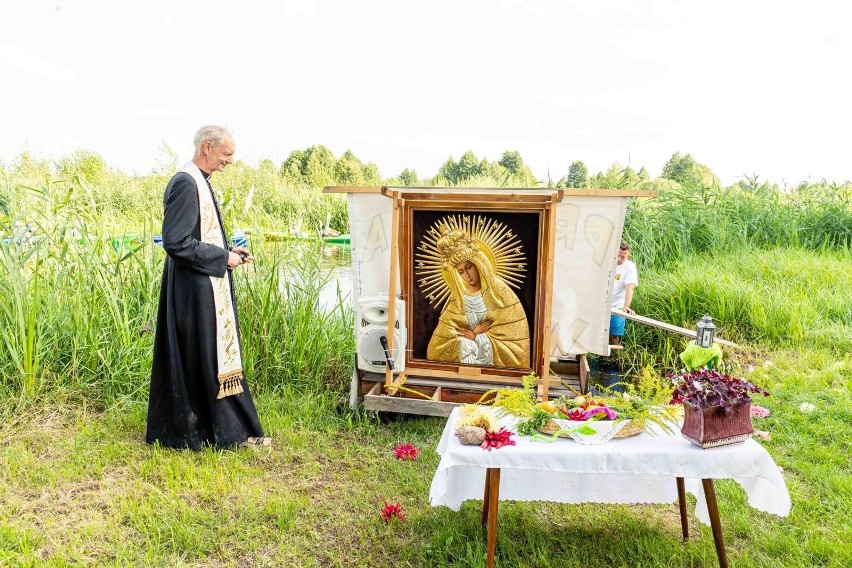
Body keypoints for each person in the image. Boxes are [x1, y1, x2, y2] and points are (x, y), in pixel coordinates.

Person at [146, 125, 269, 450]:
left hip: (200, 284)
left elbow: (198, 236)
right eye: (226, 153)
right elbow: (176, 242)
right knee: (207, 357)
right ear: (207, 147)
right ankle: (220, 432)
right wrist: (220, 257)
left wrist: (229, 251)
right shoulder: (187, 183)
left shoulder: (199, 182)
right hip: (193, 290)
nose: (230, 160)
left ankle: (213, 429)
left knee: (207, 357)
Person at [426, 227, 530, 368]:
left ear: (479, 264)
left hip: (494, 370)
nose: (467, 275)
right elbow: (436, 350)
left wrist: (477, 338)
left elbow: (516, 349)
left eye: (469, 267)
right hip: (462, 370)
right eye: (461, 271)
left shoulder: (502, 296)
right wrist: (472, 336)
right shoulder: (457, 302)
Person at [609, 241, 639, 345]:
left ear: (628, 255)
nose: (619, 260)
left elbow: (629, 288)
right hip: (601, 304)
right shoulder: (606, 262)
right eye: (617, 256)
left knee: (614, 336)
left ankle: (615, 357)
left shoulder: (630, 267)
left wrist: (626, 306)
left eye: (623, 257)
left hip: (618, 306)